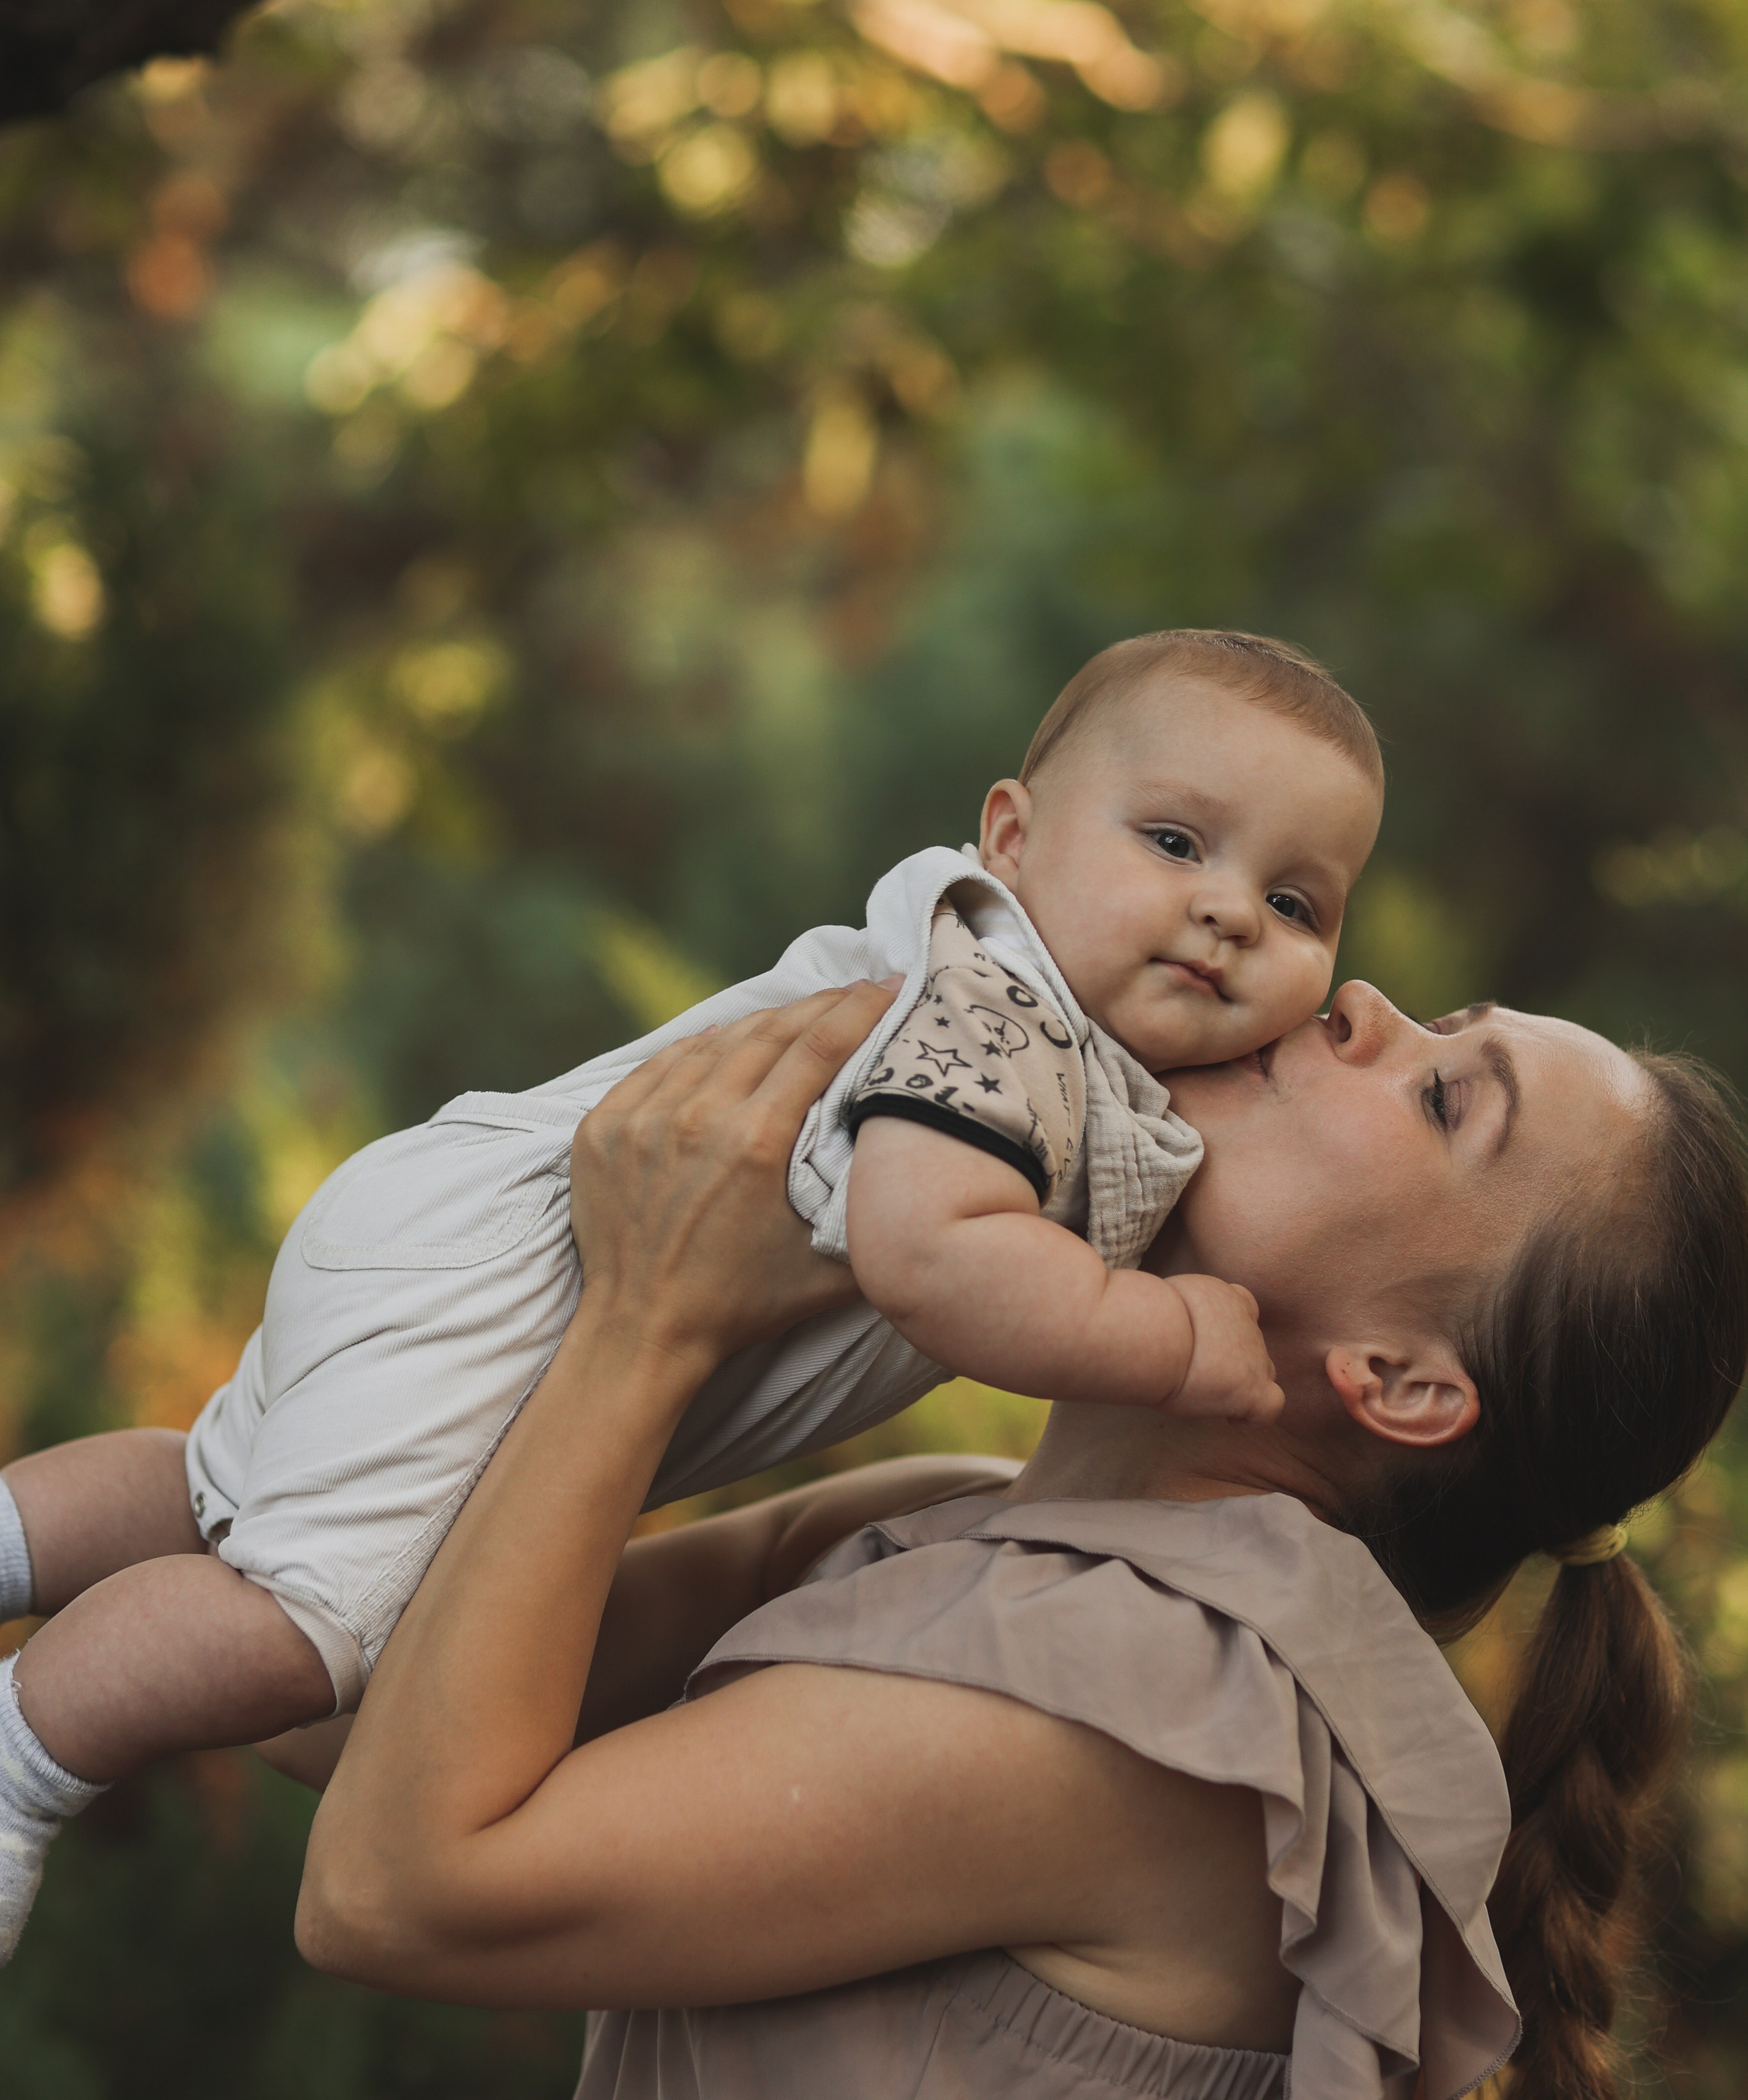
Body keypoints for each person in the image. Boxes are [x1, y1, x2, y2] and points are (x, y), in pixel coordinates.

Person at [0, 627, 1385, 1955]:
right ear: (1012, 841)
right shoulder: (1003, 1022)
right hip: (512, 1287)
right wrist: (1162, 1334)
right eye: (1173, 842)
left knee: (211, 1493)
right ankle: (25, 1761)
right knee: (294, 1640)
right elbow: (929, 1249)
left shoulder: (1054, 1042)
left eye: (1291, 903)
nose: (1223, 912)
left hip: (467, 1237)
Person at [287, 976, 1748, 2100]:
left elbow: (392, 1891)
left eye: (1442, 1099)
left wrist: (653, 1318)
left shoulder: (1163, 1703)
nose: (1356, 1003)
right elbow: (332, 1694)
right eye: (1433, 1021)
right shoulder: (973, 1535)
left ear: (1404, 1384)